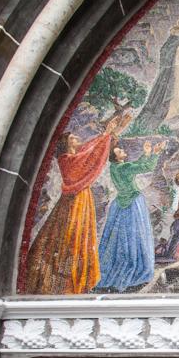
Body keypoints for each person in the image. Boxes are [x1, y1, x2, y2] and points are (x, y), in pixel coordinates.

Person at [24, 112, 132, 294]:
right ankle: (67, 283)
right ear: (67, 144)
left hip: (82, 202)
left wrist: (111, 134)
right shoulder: (67, 160)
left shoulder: (76, 154)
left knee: (79, 237)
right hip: (74, 205)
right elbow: (91, 157)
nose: (77, 138)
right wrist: (107, 134)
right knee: (71, 238)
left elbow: (92, 148)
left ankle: (76, 280)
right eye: (73, 137)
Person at [96, 140, 166, 293]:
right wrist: (155, 153)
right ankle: (137, 267)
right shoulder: (125, 167)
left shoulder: (114, 168)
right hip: (133, 203)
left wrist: (146, 153)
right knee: (137, 236)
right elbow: (146, 167)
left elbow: (134, 167)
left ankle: (112, 269)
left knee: (118, 239)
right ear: (117, 158)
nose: (122, 151)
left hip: (119, 203)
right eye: (119, 151)